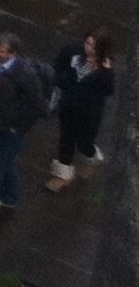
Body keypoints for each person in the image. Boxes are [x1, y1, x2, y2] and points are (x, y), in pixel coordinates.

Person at [0, 31, 52, 216]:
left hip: (10, 130)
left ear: (12, 53)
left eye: (0, 50)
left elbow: (38, 107)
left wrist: (17, 127)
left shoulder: (25, 75)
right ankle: (10, 196)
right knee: (4, 162)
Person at [48, 29, 116, 188]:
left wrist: (105, 72)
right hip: (68, 105)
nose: (89, 48)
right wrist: (62, 82)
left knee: (84, 143)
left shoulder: (105, 70)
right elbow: (58, 67)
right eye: (87, 43)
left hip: (88, 113)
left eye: (94, 46)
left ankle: (93, 156)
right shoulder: (72, 50)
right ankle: (63, 173)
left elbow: (108, 90)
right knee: (66, 139)